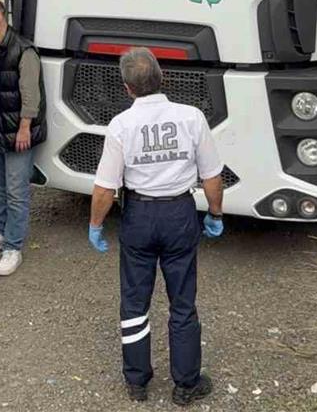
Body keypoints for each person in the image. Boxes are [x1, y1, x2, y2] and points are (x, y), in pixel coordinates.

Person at [88, 47, 224, 406]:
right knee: (183, 301)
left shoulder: (121, 125)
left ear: (127, 87)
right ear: (162, 77)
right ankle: (186, 383)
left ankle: (137, 381)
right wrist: (215, 214)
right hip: (179, 213)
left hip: (139, 215)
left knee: (135, 300)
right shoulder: (192, 117)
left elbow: (105, 188)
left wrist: (96, 224)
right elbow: (212, 176)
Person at [0, 0, 46, 277]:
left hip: (16, 134)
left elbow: (31, 94)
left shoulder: (23, 50)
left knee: (16, 192)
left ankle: (13, 246)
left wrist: (24, 127)